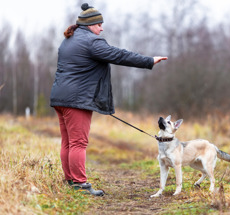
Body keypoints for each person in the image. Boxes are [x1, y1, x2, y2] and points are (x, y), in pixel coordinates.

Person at [50, 3, 167, 196]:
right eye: (99, 25)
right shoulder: (92, 42)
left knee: (68, 142)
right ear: (90, 25)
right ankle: (80, 185)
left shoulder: (68, 41)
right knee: (78, 143)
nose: (102, 28)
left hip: (60, 98)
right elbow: (120, 55)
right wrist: (149, 60)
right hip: (77, 100)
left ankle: (71, 181)